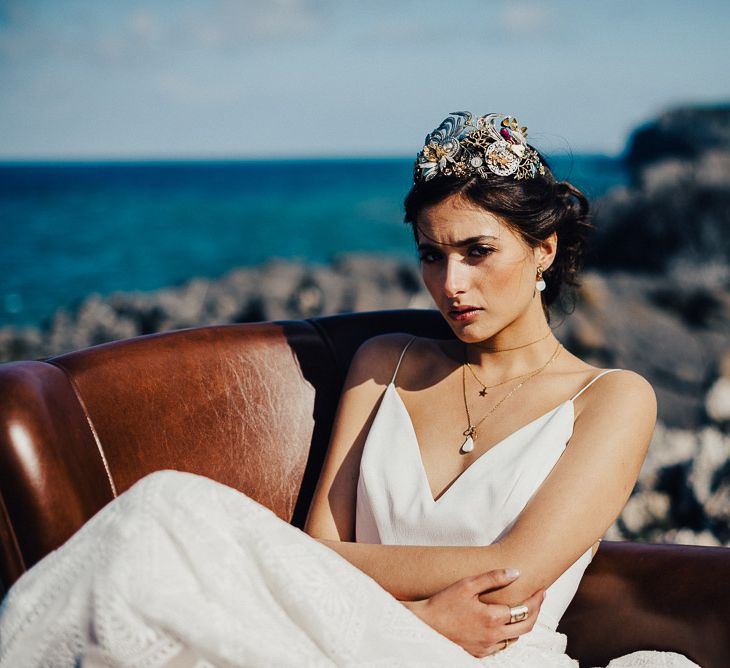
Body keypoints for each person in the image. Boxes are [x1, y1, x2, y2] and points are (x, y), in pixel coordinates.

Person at [0, 112, 698, 667]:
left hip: (492, 657)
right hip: (349, 639)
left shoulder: (612, 397)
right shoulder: (383, 362)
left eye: (478, 251)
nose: (450, 285)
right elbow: (312, 550)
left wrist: (349, 582)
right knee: (152, 529)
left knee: (167, 512)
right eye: (432, 254)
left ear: (542, 250)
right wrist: (415, 617)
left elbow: (512, 574)